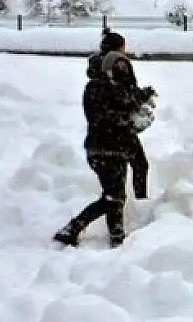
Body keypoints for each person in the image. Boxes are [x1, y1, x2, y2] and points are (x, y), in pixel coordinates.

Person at [55, 46, 155, 248]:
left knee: (114, 195)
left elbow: (130, 101)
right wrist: (128, 120)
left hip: (119, 149)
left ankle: (88, 230)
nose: (122, 70)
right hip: (103, 149)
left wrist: (143, 102)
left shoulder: (123, 88)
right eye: (118, 65)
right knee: (114, 195)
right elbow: (101, 117)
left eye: (125, 66)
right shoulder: (97, 88)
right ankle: (102, 234)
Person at [89, 31, 152, 199]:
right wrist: (142, 97)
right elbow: (126, 95)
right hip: (118, 130)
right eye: (123, 47)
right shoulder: (118, 66)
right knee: (139, 165)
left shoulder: (98, 71)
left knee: (119, 180)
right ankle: (138, 200)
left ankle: (121, 202)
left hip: (106, 133)